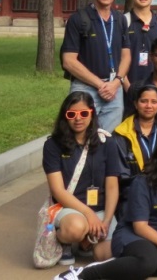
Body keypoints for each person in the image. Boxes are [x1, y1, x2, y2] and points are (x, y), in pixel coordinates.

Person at [55, 129, 157, 280]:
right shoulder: (142, 181)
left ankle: (126, 265)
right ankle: (84, 274)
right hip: (135, 235)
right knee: (147, 261)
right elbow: (140, 226)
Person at [43, 92, 120, 267]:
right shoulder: (52, 145)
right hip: (68, 208)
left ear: (92, 113)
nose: (78, 118)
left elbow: (112, 186)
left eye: (84, 113)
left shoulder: (106, 142)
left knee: (104, 256)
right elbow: (58, 190)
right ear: (65, 116)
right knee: (76, 228)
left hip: (100, 209)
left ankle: (89, 239)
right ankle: (65, 242)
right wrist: (88, 214)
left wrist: (106, 220)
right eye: (72, 114)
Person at [60, 0, 131, 132]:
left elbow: (126, 56)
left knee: (108, 139)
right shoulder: (78, 19)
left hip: (114, 88)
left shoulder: (120, 19)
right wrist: (101, 85)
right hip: (85, 87)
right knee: (78, 137)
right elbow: (69, 61)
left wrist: (116, 82)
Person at [113, 85, 157, 215]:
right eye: (143, 101)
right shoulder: (121, 134)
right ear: (136, 104)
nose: (148, 106)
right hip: (132, 194)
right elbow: (121, 175)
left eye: (154, 102)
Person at [123, 0, 157, 86]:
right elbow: (117, 58)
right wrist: (128, 88)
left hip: (156, 91)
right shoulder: (122, 22)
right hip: (127, 88)